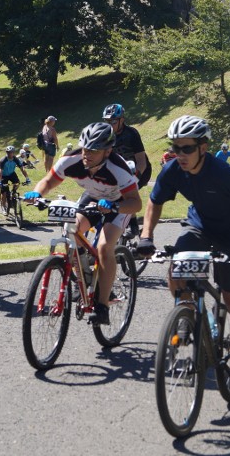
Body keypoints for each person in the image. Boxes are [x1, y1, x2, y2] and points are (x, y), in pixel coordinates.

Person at [136, 115, 230, 392]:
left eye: (187, 149)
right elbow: (154, 200)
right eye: (176, 148)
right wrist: (146, 236)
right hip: (200, 227)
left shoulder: (223, 173)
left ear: (203, 148)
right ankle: (186, 314)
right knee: (177, 267)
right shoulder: (173, 170)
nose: (180, 155)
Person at [23, 122, 142, 326]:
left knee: (105, 247)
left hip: (118, 205)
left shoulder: (118, 168)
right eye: (85, 148)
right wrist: (37, 193)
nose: (87, 154)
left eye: (94, 151)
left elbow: (136, 203)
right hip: (93, 198)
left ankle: (102, 307)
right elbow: (49, 181)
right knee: (72, 230)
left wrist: (115, 206)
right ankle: (84, 278)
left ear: (107, 151)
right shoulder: (72, 160)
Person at [103, 103, 150, 238]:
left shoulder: (131, 134)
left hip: (141, 169)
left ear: (121, 120)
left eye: (113, 121)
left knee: (127, 194)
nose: (109, 124)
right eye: (106, 121)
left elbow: (141, 160)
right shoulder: (106, 135)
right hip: (121, 170)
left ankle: (133, 226)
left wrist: (135, 177)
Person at [0, 145, 30, 215]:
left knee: (17, 183)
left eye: (11, 152)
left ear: (13, 153)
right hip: (3, 175)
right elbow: (0, 172)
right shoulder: (3, 160)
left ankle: (12, 193)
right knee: (4, 192)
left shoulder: (15, 159)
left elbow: (22, 169)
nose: (10, 154)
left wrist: (27, 178)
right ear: (6, 152)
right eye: (8, 152)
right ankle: (3, 207)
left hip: (11, 173)